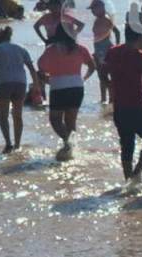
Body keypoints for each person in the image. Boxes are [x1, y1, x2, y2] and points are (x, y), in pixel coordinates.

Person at [104, 30, 142, 182]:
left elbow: (103, 70)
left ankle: (128, 181)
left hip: (120, 107)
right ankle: (137, 172)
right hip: (136, 106)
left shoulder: (113, 52)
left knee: (127, 145)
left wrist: (109, 85)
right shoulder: (140, 55)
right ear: (140, 37)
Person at [36, 25, 96, 159]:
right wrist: (83, 78)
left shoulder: (51, 50)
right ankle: (71, 150)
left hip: (58, 87)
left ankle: (67, 142)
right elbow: (92, 66)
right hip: (77, 86)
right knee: (71, 121)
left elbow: (40, 67)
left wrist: (46, 77)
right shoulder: (80, 49)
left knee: (55, 119)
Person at [0, 26, 40, 153]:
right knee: (17, 115)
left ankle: (8, 143)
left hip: (4, 82)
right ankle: (17, 144)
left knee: (3, 116)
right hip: (20, 83)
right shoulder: (21, 48)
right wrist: (36, 84)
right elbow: (31, 68)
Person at [90, 0, 121, 104]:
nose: (92, 11)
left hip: (106, 50)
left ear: (101, 7)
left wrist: (117, 47)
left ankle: (112, 98)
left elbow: (117, 32)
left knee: (105, 75)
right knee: (101, 76)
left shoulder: (106, 18)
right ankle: (103, 99)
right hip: (98, 51)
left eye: (94, 9)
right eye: (92, 10)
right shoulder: (97, 19)